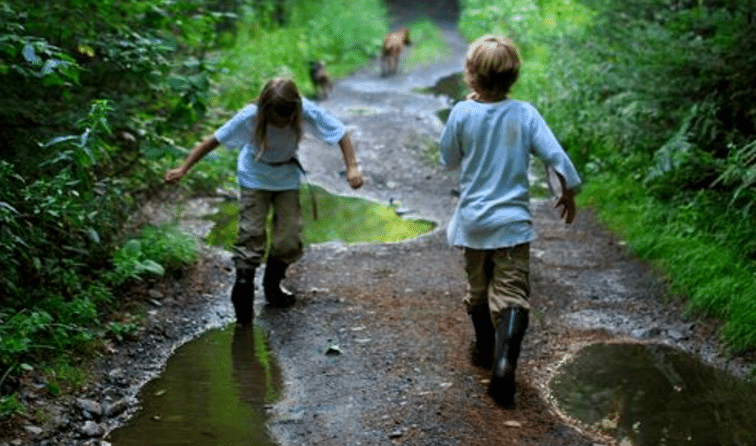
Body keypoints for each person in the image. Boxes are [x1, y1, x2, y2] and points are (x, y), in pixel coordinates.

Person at [439, 35, 581, 407]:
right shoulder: (524, 113)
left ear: (471, 75)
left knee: (479, 292)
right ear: (513, 77)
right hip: (512, 226)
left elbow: (448, 158)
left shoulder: (461, 113)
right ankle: (504, 363)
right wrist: (567, 193)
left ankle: (485, 347)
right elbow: (555, 157)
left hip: (473, 224)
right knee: (512, 296)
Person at [165, 77, 363, 325]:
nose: (280, 124)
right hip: (254, 177)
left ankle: (273, 284)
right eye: (274, 120)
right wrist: (184, 168)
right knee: (251, 234)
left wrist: (352, 167)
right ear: (265, 110)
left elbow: (340, 133)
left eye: (285, 120)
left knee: (289, 240)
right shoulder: (250, 116)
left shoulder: (305, 110)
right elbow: (213, 140)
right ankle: (243, 292)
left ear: (294, 111)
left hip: (286, 178)